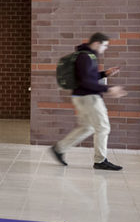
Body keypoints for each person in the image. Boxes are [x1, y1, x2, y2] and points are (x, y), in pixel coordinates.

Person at [51, 32, 126, 171]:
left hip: (81, 97)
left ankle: (59, 148)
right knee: (103, 127)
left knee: (88, 127)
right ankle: (100, 160)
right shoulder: (86, 57)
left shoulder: (85, 55)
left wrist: (104, 74)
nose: (106, 48)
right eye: (105, 45)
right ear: (97, 43)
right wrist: (109, 89)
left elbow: (88, 77)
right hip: (89, 98)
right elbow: (86, 82)